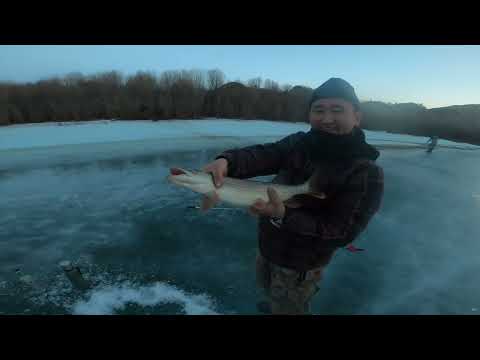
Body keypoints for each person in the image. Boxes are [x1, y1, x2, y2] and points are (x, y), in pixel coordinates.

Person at [201, 78, 384, 315]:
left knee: (289, 307)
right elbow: (264, 155)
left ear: (357, 117)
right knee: (267, 288)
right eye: (319, 110)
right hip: (268, 248)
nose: (327, 118)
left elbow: (341, 232)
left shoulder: (366, 172)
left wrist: (283, 215)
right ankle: (272, 301)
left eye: (337, 110)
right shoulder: (299, 143)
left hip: (300, 266)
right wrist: (227, 160)